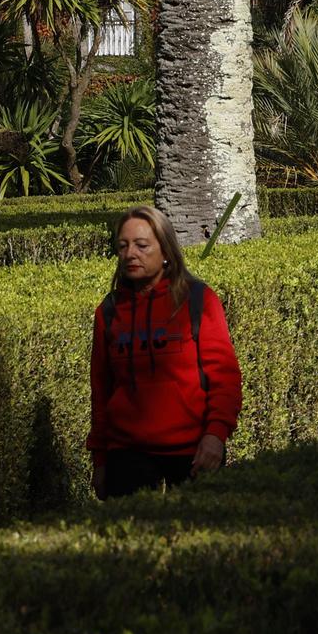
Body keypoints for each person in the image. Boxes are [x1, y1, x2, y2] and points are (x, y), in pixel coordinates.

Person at [86, 204, 243, 499]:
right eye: (123, 245)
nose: (131, 253)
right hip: (127, 453)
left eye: (142, 245)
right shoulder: (109, 312)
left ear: (166, 251)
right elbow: (101, 390)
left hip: (194, 451)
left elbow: (224, 377)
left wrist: (215, 436)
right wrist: (100, 460)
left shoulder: (197, 300)